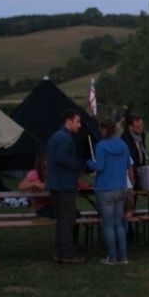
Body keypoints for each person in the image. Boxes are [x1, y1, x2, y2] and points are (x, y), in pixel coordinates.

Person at [87, 118, 132, 265]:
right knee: (118, 223)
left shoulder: (101, 146)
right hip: (121, 188)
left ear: (104, 129)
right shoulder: (123, 145)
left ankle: (112, 257)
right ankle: (123, 256)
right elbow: (127, 165)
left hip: (105, 189)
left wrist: (88, 162)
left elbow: (99, 167)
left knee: (108, 224)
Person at [46, 109, 86, 264]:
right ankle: (68, 254)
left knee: (61, 220)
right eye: (77, 121)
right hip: (64, 186)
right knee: (68, 221)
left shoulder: (55, 136)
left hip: (55, 184)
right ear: (68, 121)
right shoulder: (64, 138)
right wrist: (78, 165)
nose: (80, 125)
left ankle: (59, 252)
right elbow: (62, 157)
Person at [121, 113, 148, 230]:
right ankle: (126, 230)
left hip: (139, 172)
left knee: (133, 203)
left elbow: (142, 152)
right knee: (127, 205)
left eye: (141, 125)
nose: (141, 128)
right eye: (138, 126)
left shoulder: (141, 136)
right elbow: (129, 160)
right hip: (130, 175)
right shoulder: (125, 140)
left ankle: (129, 229)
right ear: (130, 127)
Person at [18, 149, 54, 219]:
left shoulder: (54, 172)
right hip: (42, 206)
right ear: (41, 160)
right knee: (66, 217)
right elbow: (21, 186)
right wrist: (34, 183)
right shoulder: (34, 173)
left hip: (56, 203)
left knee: (75, 215)